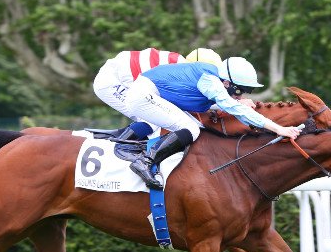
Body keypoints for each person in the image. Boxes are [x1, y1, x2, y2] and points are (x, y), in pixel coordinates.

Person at [124, 57, 301, 189]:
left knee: (195, 128)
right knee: (190, 129)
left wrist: (237, 102)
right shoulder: (210, 81)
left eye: (245, 92)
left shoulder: (215, 79)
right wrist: (278, 128)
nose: (240, 96)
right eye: (239, 91)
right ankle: (145, 161)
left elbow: (222, 103)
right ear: (226, 82)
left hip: (148, 92)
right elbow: (235, 109)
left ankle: (133, 147)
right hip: (143, 95)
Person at [92, 47, 186, 140]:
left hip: (115, 75)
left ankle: (119, 138)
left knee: (154, 116)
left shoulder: (179, 62)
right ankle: (118, 146)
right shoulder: (181, 74)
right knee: (153, 119)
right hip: (111, 82)